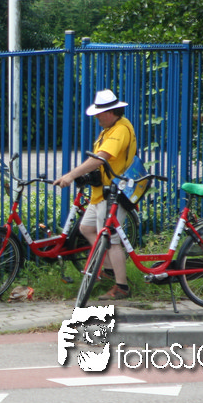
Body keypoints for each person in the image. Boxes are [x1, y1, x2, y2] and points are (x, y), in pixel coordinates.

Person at [53, 89, 136, 301]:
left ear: (110, 112)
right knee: (87, 228)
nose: (97, 117)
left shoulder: (120, 130)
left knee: (112, 240)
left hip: (115, 193)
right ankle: (109, 270)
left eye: (99, 113)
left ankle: (122, 286)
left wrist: (71, 175)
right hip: (102, 193)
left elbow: (100, 158)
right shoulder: (109, 129)